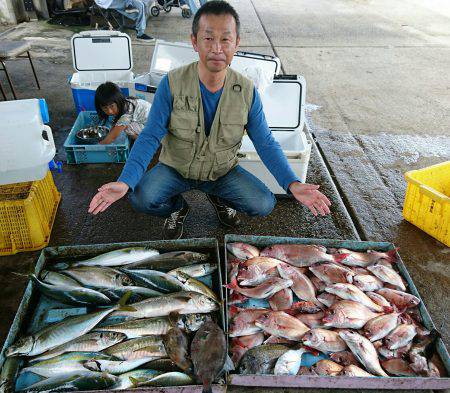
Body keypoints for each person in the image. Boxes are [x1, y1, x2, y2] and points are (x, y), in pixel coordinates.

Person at [88, 1, 331, 240]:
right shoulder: (171, 84)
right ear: (194, 42)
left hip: (222, 172)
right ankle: (177, 209)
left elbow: (265, 142)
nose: (217, 48)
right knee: (140, 197)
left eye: (225, 39)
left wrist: (292, 183)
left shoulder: (246, 91)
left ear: (236, 43)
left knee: (263, 203)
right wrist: (124, 181)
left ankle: (221, 198)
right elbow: (150, 136)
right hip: (176, 168)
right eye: (208, 38)